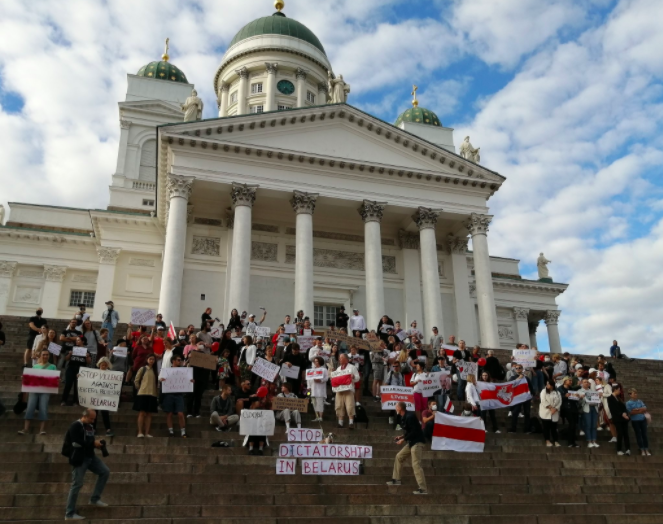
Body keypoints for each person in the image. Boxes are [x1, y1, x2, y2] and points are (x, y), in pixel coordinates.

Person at [63, 409, 110, 520]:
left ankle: (94, 498)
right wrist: (92, 443)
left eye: (94, 419)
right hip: (79, 458)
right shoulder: (75, 425)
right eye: (91, 418)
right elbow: (76, 442)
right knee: (77, 484)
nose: (93, 421)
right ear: (84, 416)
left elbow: (89, 441)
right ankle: (69, 513)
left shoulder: (90, 427)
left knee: (105, 472)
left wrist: (97, 444)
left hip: (90, 456)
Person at [387, 401, 428, 495]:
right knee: (399, 456)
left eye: (396, 407)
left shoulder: (410, 416)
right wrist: (401, 437)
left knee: (416, 464)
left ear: (400, 408)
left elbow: (414, 431)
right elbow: (409, 431)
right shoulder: (403, 417)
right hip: (411, 442)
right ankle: (396, 479)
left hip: (417, 442)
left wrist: (403, 440)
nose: (395, 408)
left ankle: (423, 488)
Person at [19, 348, 56, 435]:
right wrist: (25, 378)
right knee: (30, 407)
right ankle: (25, 429)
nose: (45, 356)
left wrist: (57, 380)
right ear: (40, 356)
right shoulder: (35, 366)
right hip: (34, 390)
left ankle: (42, 429)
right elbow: (31, 379)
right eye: (44, 354)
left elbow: (54, 379)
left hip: (45, 390)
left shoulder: (53, 366)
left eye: (47, 355)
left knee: (43, 408)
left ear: (49, 356)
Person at [159, 354, 191, 438]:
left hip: (179, 394)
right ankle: (171, 431)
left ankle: (183, 432)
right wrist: (162, 380)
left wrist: (190, 381)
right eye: (178, 360)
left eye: (180, 360)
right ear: (173, 361)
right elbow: (162, 380)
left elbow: (187, 381)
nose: (180, 361)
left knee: (180, 413)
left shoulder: (183, 371)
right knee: (169, 413)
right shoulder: (167, 371)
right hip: (169, 394)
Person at [133, 354, 159, 438]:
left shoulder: (155, 371)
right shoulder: (142, 369)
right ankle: (140, 431)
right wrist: (140, 388)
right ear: (147, 359)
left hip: (152, 394)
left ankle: (147, 432)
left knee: (149, 414)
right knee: (142, 413)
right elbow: (136, 380)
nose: (151, 361)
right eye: (150, 359)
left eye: (153, 359)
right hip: (143, 393)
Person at [62, 337, 91, 406]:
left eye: (78, 340)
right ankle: (63, 400)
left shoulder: (87, 351)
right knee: (68, 384)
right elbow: (66, 359)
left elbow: (89, 362)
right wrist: (70, 354)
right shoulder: (72, 349)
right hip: (71, 368)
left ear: (83, 341)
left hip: (81, 369)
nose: (77, 341)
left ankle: (75, 401)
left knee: (77, 386)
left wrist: (87, 357)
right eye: (76, 340)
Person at [333, 353, 361, 429]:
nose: (340, 359)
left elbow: (358, 377)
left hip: (348, 390)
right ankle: (340, 423)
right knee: (339, 405)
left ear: (346, 359)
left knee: (350, 405)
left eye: (341, 358)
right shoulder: (338, 369)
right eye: (339, 358)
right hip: (339, 390)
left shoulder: (352, 367)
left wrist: (353, 376)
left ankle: (351, 422)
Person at [185, 338, 210, 418]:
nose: (202, 345)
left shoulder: (204, 354)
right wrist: (189, 357)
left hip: (201, 378)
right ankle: (189, 412)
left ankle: (197, 412)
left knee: (198, 396)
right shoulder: (192, 353)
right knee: (191, 395)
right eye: (200, 343)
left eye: (203, 344)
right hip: (192, 377)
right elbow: (186, 362)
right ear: (196, 344)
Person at [91, 358, 115, 437]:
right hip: (95, 395)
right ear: (99, 365)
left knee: (105, 413)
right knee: (94, 413)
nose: (104, 366)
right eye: (102, 365)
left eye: (105, 365)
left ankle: (108, 429)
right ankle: (93, 429)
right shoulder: (94, 373)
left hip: (105, 397)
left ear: (107, 365)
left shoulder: (111, 374)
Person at [508, 364, 532, 433]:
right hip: (517, 398)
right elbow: (510, 385)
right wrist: (519, 378)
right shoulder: (512, 377)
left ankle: (526, 429)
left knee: (527, 413)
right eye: (517, 368)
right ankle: (513, 429)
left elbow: (530, 387)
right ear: (515, 369)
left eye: (519, 368)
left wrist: (532, 395)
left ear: (522, 369)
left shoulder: (526, 378)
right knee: (515, 412)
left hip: (526, 398)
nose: (518, 369)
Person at [607, 384, 630, 456]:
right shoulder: (610, 398)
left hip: (623, 419)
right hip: (617, 418)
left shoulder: (619, 398)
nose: (620, 391)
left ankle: (628, 449)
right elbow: (613, 409)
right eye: (619, 390)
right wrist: (621, 414)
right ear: (615, 390)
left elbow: (623, 407)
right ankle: (619, 449)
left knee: (626, 433)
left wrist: (625, 413)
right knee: (619, 433)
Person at [626, 388, 650, 456]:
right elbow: (631, 412)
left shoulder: (640, 401)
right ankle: (642, 449)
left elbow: (645, 409)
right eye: (634, 393)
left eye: (636, 393)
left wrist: (637, 410)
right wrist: (639, 410)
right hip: (635, 421)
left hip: (642, 419)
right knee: (638, 435)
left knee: (644, 435)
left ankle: (646, 449)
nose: (636, 395)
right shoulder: (628, 403)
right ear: (630, 395)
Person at [558, 376, 580, 447]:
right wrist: (564, 396)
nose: (571, 382)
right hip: (566, 408)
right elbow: (558, 398)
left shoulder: (571, 389)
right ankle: (570, 442)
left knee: (574, 425)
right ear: (565, 381)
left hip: (573, 408)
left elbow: (575, 399)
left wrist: (577, 396)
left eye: (571, 380)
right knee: (572, 424)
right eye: (569, 380)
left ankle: (572, 441)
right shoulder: (560, 389)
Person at [540, 381, 562, 447]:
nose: (547, 385)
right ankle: (547, 440)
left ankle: (556, 440)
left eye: (548, 384)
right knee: (546, 427)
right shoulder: (544, 391)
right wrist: (551, 408)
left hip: (555, 412)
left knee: (554, 427)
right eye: (546, 384)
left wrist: (555, 408)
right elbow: (543, 400)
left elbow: (560, 401)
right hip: (546, 411)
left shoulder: (557, 392)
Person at [578, 379, 599, 448]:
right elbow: (578, 403)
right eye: (585, 382)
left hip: (594, 408)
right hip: (586, 409)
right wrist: (580, 398)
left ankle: (594, 441)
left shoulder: (593, 391)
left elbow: (597, 401)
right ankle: (589, 441)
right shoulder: (579, 391)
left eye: (587, 382)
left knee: (594, 426)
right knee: (588, 425)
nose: (586, 383)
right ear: (582, 383)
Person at [307, 356, 328, 421]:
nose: (315, 362)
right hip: (313, 388)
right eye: (315, 361)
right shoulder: (312, 370)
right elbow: (309, 379)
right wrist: (309, 387)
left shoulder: (324, 369)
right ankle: (317, 416)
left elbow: (326, 378)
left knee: (320, 403)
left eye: (317, 361)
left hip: (320, 389)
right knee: (314, 403)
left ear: (320, 362)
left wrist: (320, 380)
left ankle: (320, 417)